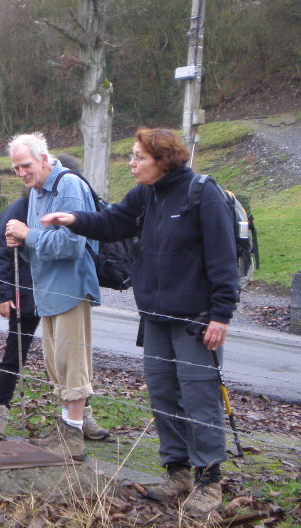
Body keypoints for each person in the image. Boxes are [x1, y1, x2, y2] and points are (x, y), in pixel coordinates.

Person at [40, 128, 238, 515]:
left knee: (200, 399)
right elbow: (112, 222)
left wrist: (221, 315)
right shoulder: (146, 195)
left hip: (197, 320)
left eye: (138, 157)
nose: (131, 164)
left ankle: (209, 482)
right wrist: (73, 219)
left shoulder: (202, 193)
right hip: (155, 317)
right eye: (131, 156)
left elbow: (223, 259)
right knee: (163, 396)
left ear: (163, 159)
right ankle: (177, 472)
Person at [0, 154, 109, 442]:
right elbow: (2, 253)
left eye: (25, 167)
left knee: (71, 357)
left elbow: (73, 244)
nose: (23, 174)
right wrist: (2, 294)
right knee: (15, 355)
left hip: (59, 289)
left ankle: (80, 421)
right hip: (25, 294)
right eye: (18, 169)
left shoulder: (65, 196)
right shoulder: (20, 208)